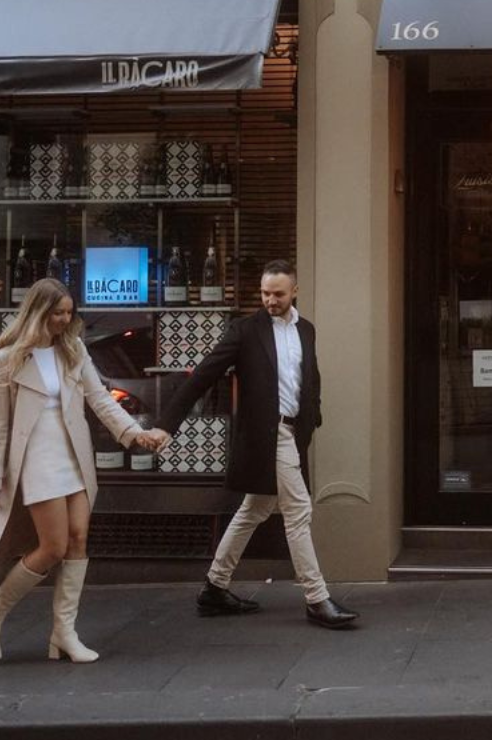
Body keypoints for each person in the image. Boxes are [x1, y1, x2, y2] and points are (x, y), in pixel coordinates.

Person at [158, 259, 356, 629]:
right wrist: (167, 424)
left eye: (278, 294)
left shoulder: (306, 330)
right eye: (265, 293)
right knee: (298, 510)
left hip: (293, 434)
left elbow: (309, 378)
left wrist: (312, 419)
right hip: (267, 435)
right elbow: (203, 376)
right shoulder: (245, 331)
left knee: (255, 510)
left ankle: (215, 587)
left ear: (294, 291)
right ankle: (316, 598)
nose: (270, 300)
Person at [0, 278, 169, 663]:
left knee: (78, 541)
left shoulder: (73, 350)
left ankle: (64, 633)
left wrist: (134, 434)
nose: (64, 320)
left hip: (75, 457)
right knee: (51, 548)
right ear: (38, 312)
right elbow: (2, 425)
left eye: (68, 313)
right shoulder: (10, 358)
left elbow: (100, 399)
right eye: (57, 313)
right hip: (34, 460)